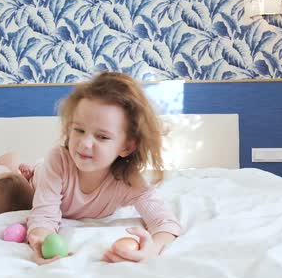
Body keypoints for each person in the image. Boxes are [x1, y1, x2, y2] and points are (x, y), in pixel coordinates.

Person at [26, 71, 182, 265]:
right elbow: (44, 215)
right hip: (38, 180)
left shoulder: (128, 181)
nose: (84, 144)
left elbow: (164, 222)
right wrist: (40, 238)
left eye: (102, 137)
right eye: (79, 130)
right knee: (7, 184)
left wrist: (154, 248)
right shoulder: (58, 160)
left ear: (127, 146)